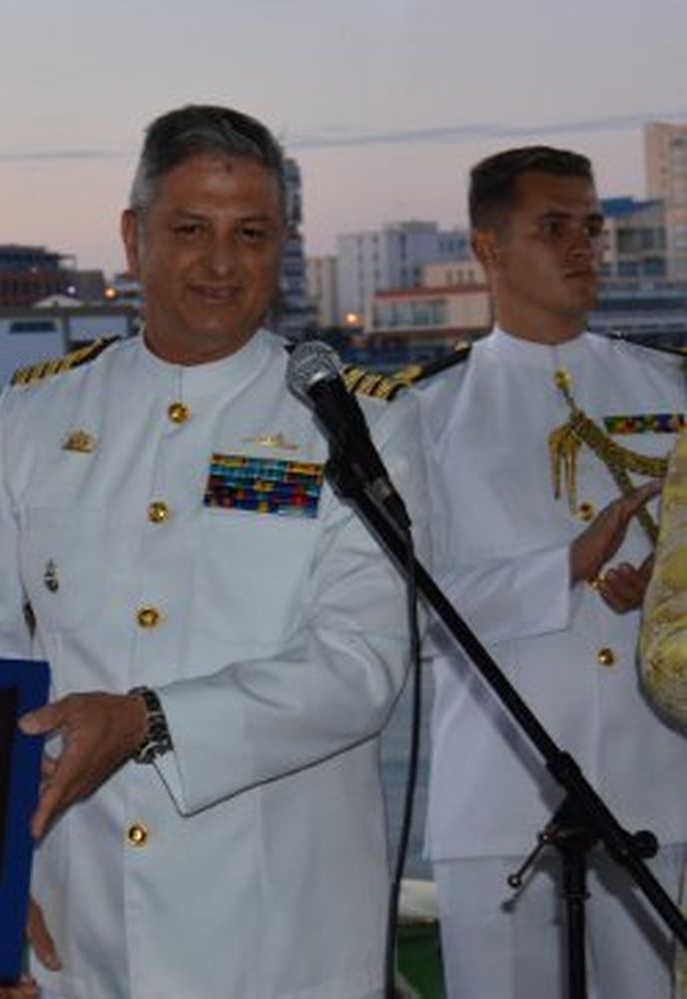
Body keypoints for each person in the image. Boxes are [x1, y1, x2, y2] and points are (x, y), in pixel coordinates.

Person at [0, 104, 423, 998]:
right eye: (190, 229)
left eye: (252, 233)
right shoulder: (38, 415)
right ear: (132, 236)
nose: (221, 263)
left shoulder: (362, 421)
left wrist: (149, 719)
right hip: (72, 913)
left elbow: (360, 664)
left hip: (280, 927)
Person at [414, 145, 687, 999]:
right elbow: (402, 612)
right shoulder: (427, 414)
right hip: (499, 800)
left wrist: (667, 594)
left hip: (657, 789)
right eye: (554, 227)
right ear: (488, 249)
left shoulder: (670, 388)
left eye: (592, 226)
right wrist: (561, 568)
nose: (584, 246)